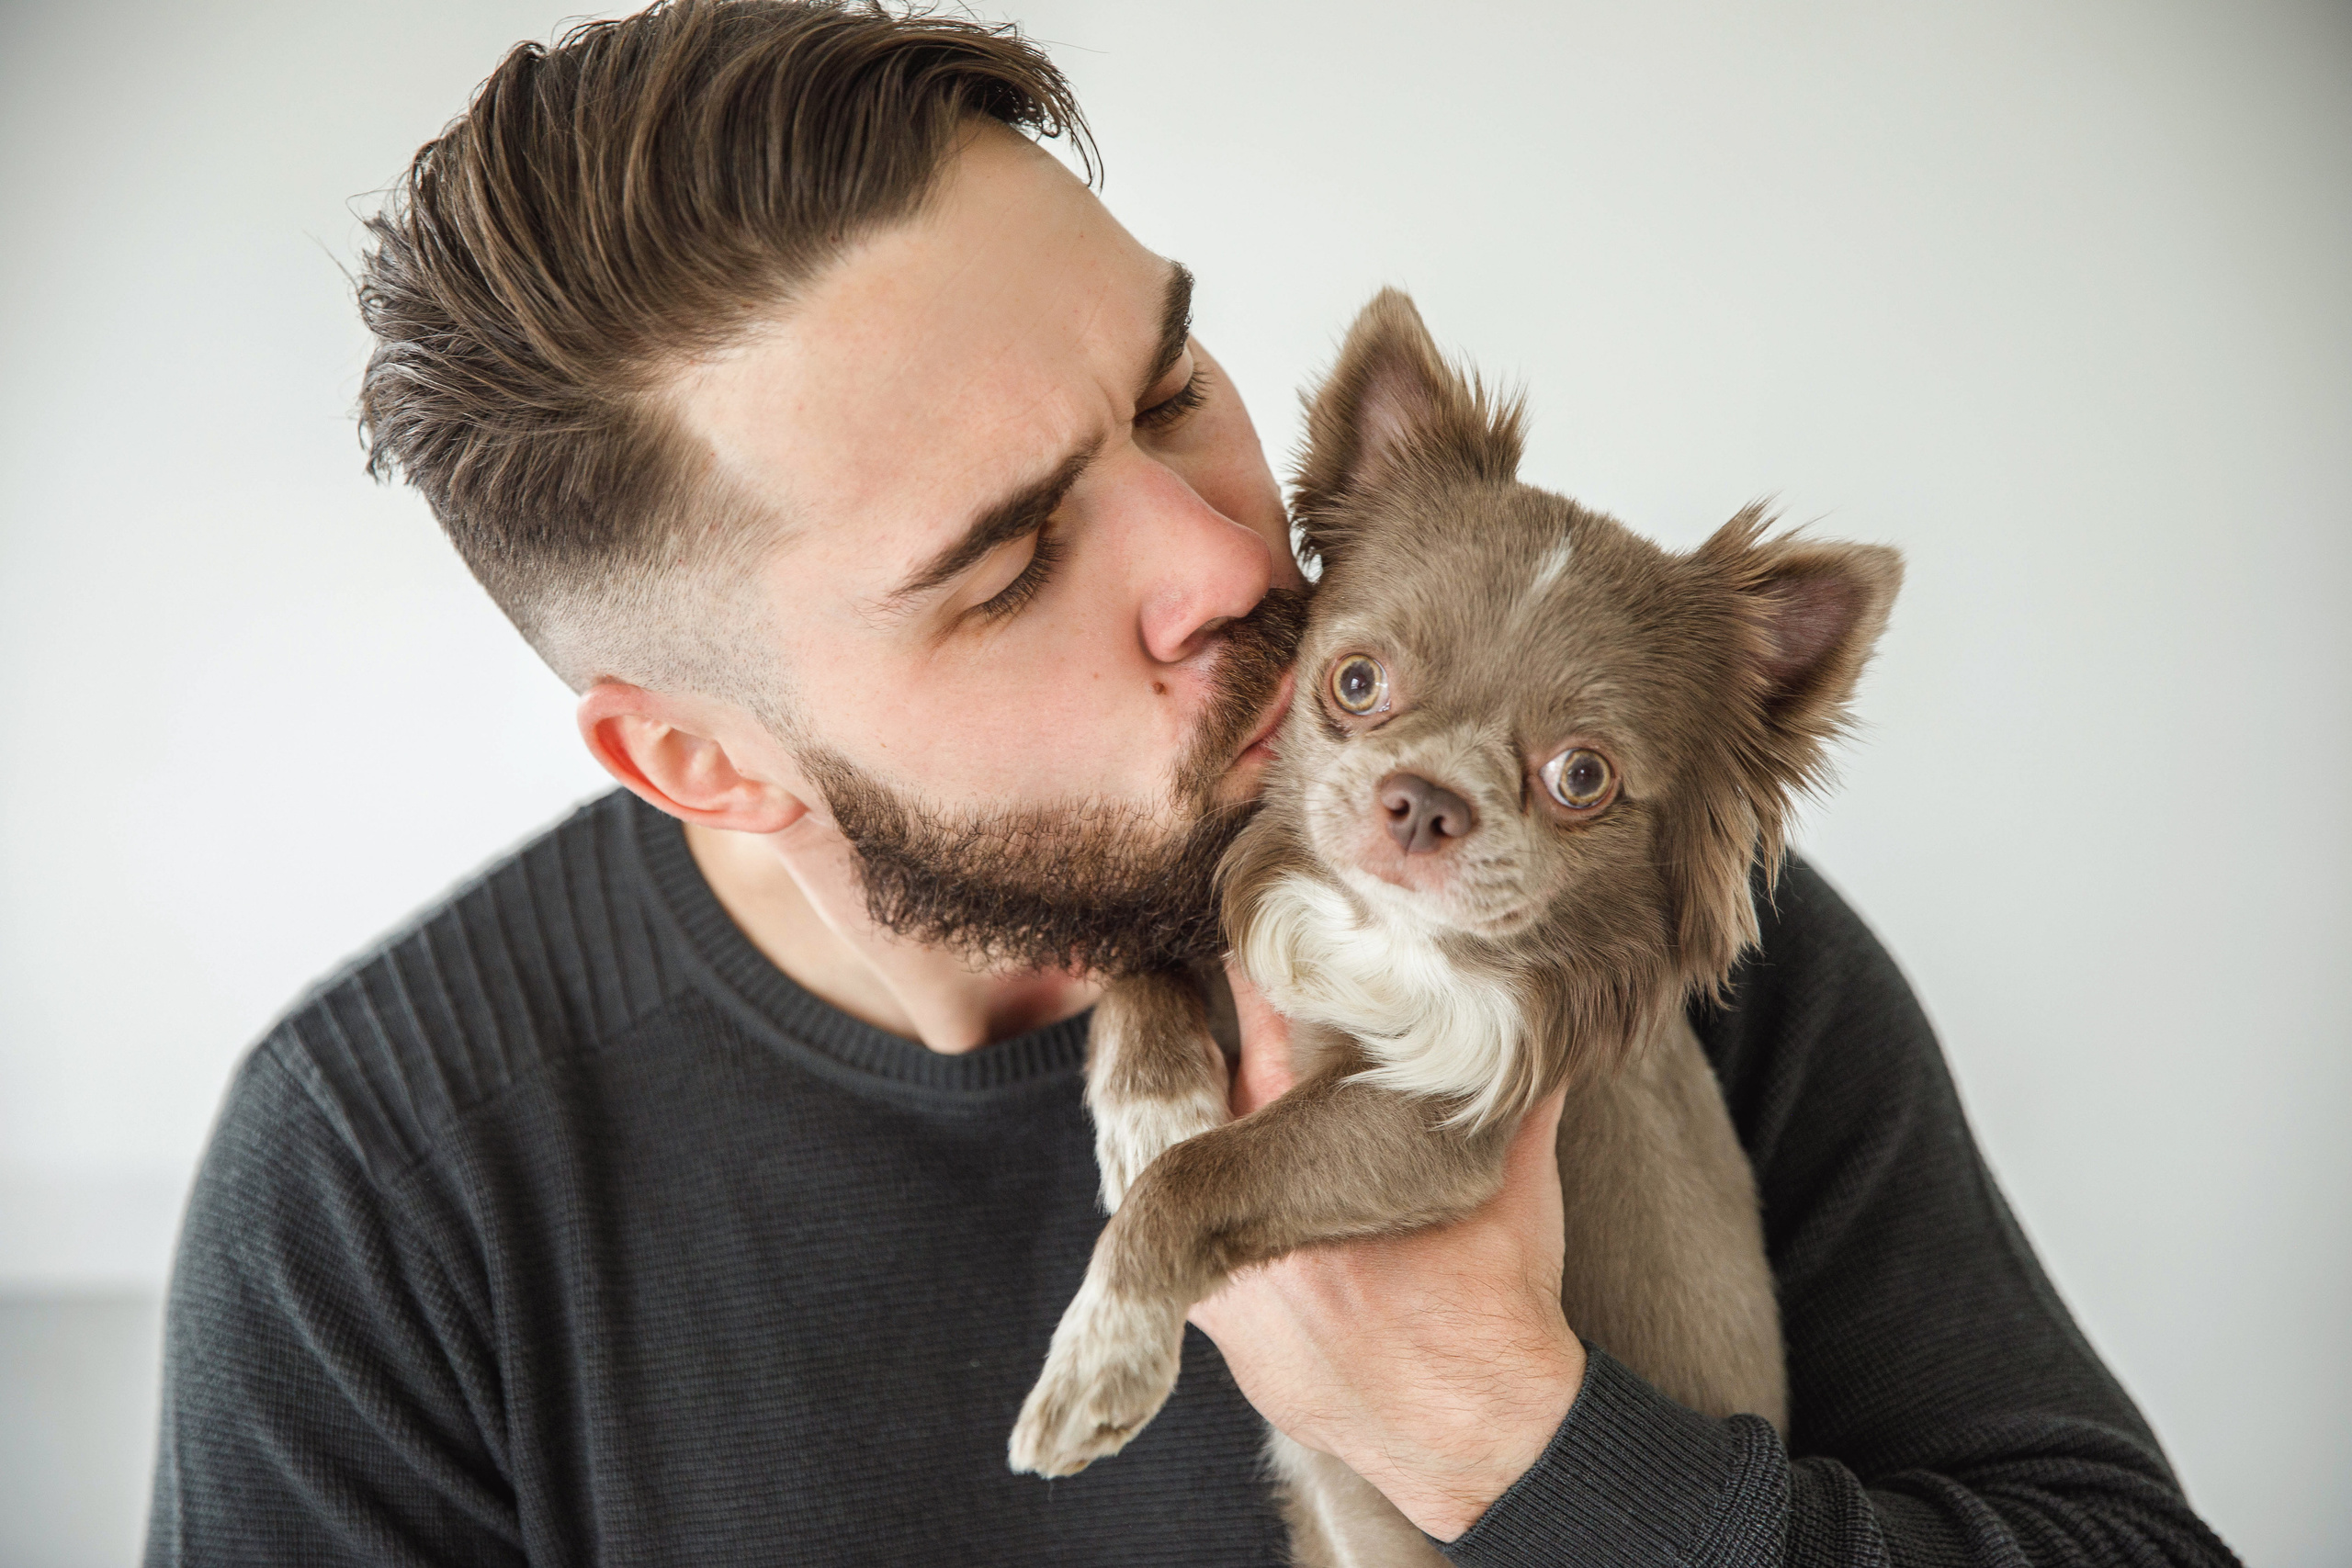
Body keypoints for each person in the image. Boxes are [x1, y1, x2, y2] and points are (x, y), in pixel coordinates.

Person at [145, 4, 2239, 1564]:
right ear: (695, 755)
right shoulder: (392, 1182)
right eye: (1008, 558)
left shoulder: (1623, 937)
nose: (1228, 564)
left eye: (1170, 385)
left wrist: (1524, 1437)